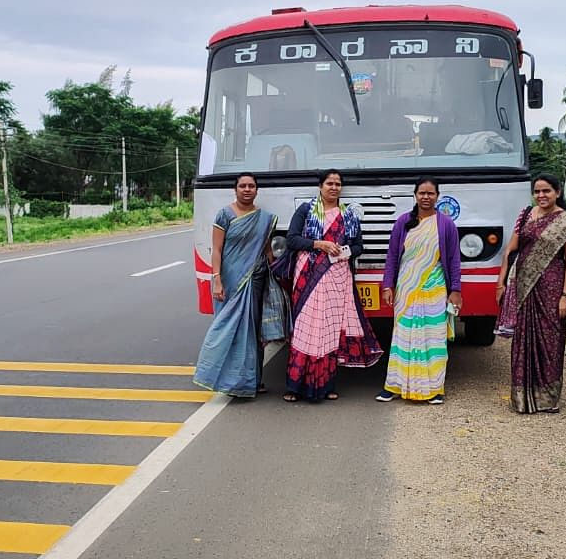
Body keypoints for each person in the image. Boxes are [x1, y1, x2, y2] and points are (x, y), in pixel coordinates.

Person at [281, 169, 383, 402]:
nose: (334, 187)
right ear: (320, 186)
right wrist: (320, 244)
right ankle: (294, 387)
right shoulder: (306, 210)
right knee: (305, 330)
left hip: (337, 277)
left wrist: (344, 251)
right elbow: (292, 239)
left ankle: (326, 386)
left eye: (338, 184)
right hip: (308, 277)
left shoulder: (348, 216)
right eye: (329, 183)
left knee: (328, 332)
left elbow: (359, 246)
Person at [494, 174, 566, 413]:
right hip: (523, 286)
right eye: (538, 191)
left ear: (558, 193)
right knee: (523, 340)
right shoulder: (525, 215)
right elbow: (509, 251)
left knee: (550, 341)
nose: (542, 195)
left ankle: (547, 399)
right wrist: (500, 283)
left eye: (547, 191)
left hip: (552, 287)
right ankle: (522, 398)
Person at [376, 177, 462, 405]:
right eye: (422, 193)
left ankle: (434, 389)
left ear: (437, 196)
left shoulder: (446, 225)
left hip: (434, 289)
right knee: (402, 337)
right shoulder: (403, 222)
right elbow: (392, 256)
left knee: (433, 339)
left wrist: (455, 290)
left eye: (430, 193)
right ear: (414, 195)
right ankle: (394, 386)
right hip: (406, 288)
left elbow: (454, 260)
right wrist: (387, 285)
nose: (426, 197)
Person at [194, 173, 279, 397]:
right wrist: (217, 280)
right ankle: (226, 379)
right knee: (229, 329)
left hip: (257, 279)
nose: (247, 189)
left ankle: (253, 380)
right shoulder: (224, 214)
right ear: (236, 189)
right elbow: (217, 250)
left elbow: (267, 250)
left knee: (253, 330)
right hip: (231, 281)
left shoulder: (265, 218)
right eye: (243, 186)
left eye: (251, 186)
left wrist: (278, 275)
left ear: (257, 190)